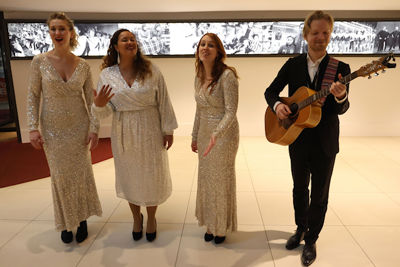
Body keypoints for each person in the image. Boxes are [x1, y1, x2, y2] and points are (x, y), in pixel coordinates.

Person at [264, 11, 350, 266]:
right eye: (315, 33)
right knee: (299, 188)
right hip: (297, 137)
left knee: (320, 194)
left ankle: (311, 239)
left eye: (325, 33)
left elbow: (342, 109)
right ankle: (300, 228)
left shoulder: (340, 69)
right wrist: (277, 106)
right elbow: (270, 91)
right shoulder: (293, 64)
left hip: (325, 141)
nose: (320, 38)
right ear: (305, 35)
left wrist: (340, 96)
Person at [92, 29, 177, 242]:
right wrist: (98, 105)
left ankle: (151, 217)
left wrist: (168, 129)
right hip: (123, 130)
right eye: (125, 39)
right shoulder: (107, 75)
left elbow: (164, 101)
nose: (130, 42)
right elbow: (103, 112)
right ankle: (135, 217)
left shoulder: (151, 71)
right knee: (129, 175)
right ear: (115, 46)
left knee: (151, 175)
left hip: (150, 128)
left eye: (133, 39)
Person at [27, 12, 102, 244]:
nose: (58, 33)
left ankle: (81, 219)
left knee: (80, 175)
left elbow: (92, 100)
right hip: (52, 129)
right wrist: (32, 127)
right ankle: (65, 221)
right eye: (53, 29)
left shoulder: (83, 65)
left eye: (62, 29)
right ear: (49, 33)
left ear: (71, 33)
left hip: (79, 128)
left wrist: (94, 127)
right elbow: (33, 95)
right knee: (60, 177)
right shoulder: (39, 61)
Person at [191, 33, 239, 244]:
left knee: (220, 180)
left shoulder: (227, 76)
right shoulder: (199, 76)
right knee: (208, 180)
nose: (205, 48)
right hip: (204, 136)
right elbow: (199, 110)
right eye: (202, 44)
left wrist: (216, 134)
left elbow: (231, 111)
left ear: (218, 51)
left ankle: (221, 227)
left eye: (211, 45)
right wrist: (195, 135)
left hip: (224, 135)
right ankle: (210, 222)